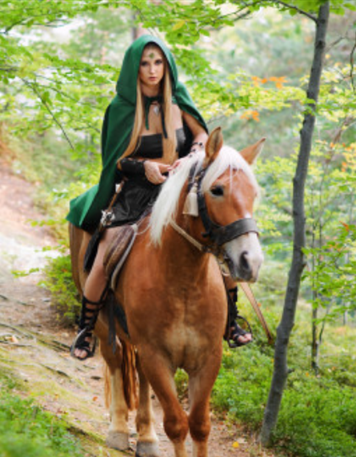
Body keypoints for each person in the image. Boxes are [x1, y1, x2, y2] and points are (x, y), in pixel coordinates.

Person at [66, 35, 252, 359]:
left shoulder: (178, 98)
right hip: (138, 189)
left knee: (215, 237)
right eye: (145, 63)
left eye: (158, 62)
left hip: (180, 186)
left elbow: (202, 134)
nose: (152, 70)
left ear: (166, 65)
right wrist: (145, 167)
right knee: (106, 247)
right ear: (134, 68)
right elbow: (116, 162)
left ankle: (232, 321)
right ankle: (86, 328)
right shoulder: (121, 108)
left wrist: (193, 153)